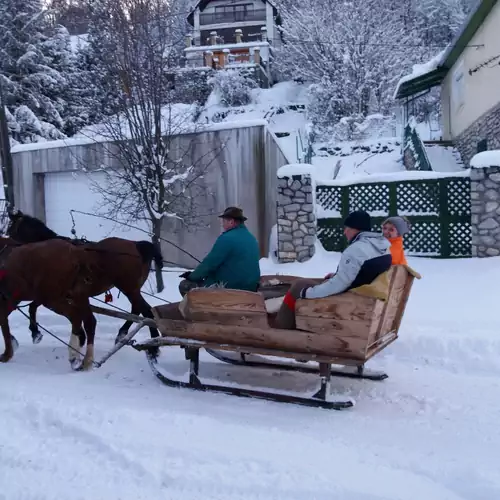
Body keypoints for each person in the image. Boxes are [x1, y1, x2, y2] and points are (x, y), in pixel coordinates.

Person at [274, 210, 392, 329]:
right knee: (309, 283)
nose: (345, 232)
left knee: (298, 286)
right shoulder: (380, 246)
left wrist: (308, 293)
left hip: (347, 300)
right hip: (362, 294)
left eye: (347, 228)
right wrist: (337, 275)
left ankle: (281, 326)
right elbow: (361, 271)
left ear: (356, 228)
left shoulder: (356, 250)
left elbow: (338, 285)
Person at [178, 207, 261, 296]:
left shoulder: (227, 238)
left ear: (231, 222)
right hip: (251, 287)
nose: (222, 224)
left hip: (230, 287)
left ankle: (203, 309)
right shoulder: (252, 239)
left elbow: (209, 264)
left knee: (185, 285)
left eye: (224, 221)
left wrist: (192, 276)